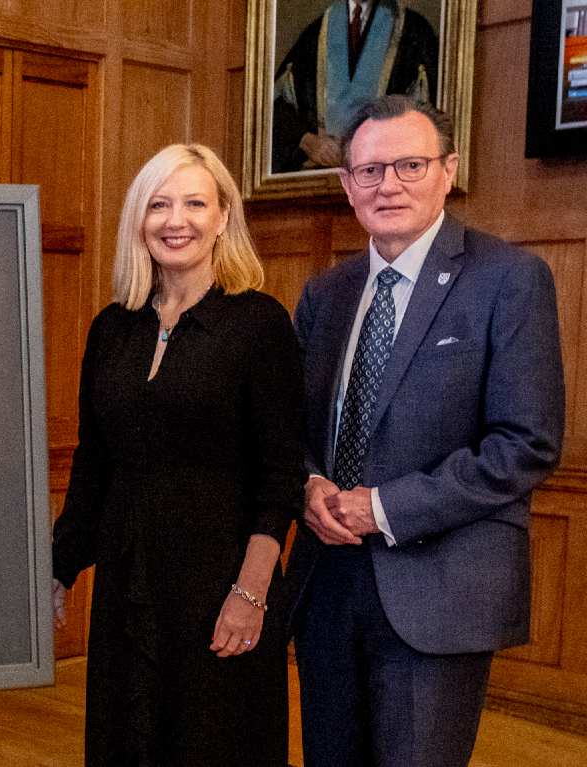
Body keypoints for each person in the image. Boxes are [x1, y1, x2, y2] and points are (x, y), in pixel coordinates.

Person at [289, 95, 565, 767]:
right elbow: (287, 425)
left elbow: (525, 443)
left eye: (409, 164)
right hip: (327, 584)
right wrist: (308, 483)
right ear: (348, 186)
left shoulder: (510, 279)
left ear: (449, 169)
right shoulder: (325, 294)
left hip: (438, 591)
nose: (389, 185)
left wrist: (382, 506)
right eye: (370, 170)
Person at [50, 144, 305, 767]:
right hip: (126, 584)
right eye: (158, 205)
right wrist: (57, 569)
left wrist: (250, 594)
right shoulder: (114, 326)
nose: (176, 220)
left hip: (218, 589)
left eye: (195, 203)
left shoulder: (258, 324)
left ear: (223, 218)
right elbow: (94, 464)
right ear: (139, 221)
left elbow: (280, 477)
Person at [273, 0, 439, 172]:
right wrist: (309, 142)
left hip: (386, 180)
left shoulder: (414, 32)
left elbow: (428, 121)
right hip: (321, 184)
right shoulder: (315, 36)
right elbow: (274, 109)